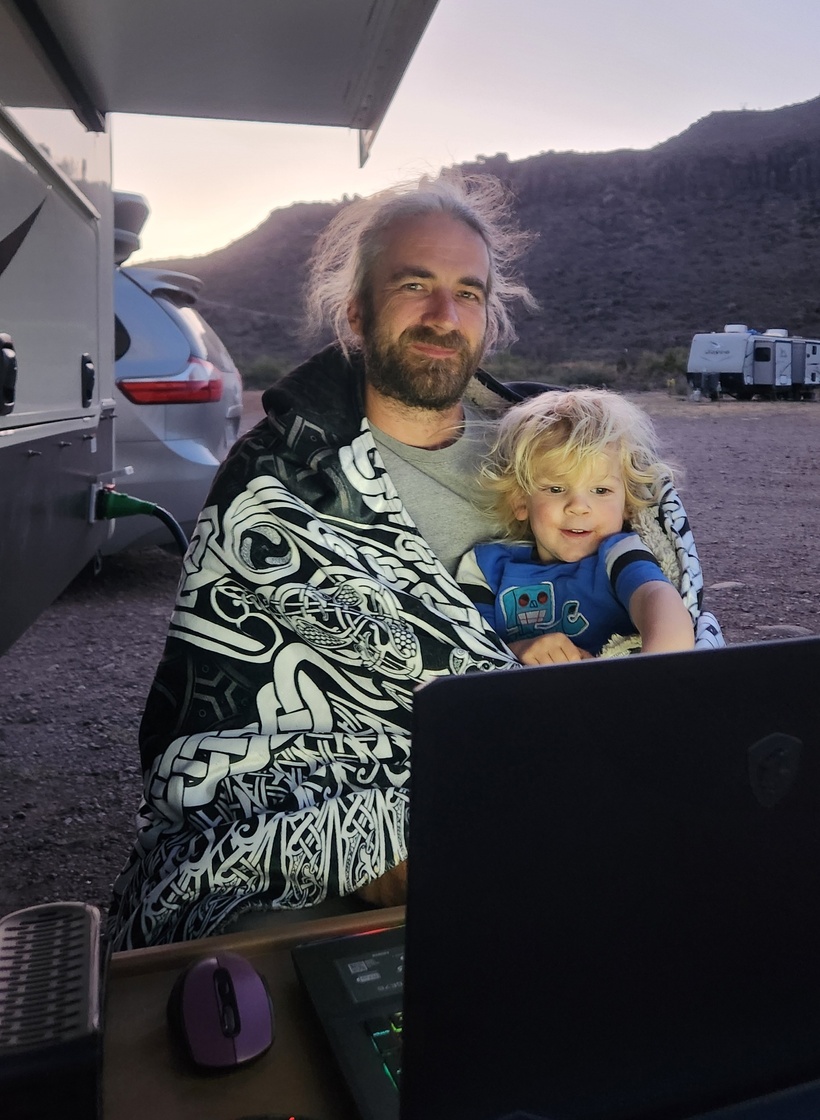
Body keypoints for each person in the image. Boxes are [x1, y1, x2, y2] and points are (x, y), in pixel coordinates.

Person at [107, 172, 717, 950]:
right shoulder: (282, 482)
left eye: (468, 293)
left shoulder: (554, 453)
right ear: (356, 310)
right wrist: (393, 842)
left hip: (593, 781)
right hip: (388, 835)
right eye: (415, 285)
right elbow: (228, 732)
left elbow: (672, 607)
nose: (443, 315)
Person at [456, 388, 696, 664]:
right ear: (521, 501)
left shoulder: (618, 557)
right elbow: (470, 647)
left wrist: (649, 674)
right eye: (556, 489)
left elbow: (659, 602)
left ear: (627, 504)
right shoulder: (485, 568)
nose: (578, 506)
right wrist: (519, 650)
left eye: (601, 490)